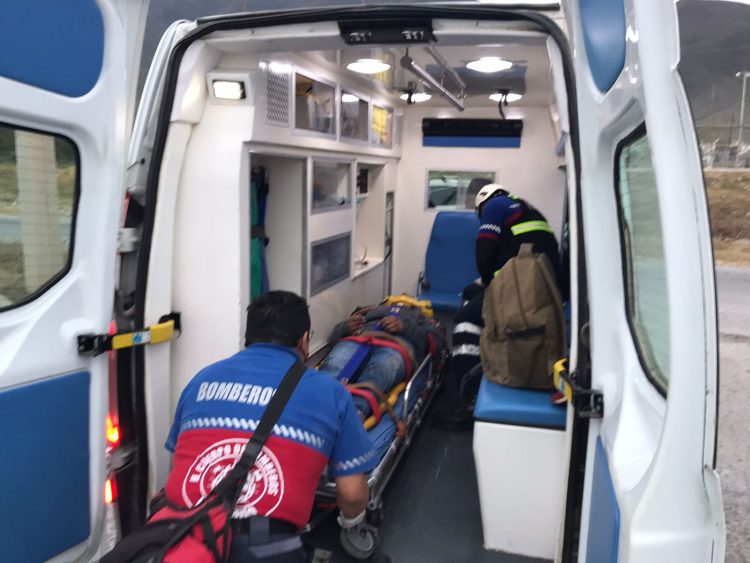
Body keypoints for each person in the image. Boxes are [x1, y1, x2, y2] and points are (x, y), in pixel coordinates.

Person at [163, 291, 378, 562]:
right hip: (262, 544)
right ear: (304, 340)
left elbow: (180, 461)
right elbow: (352, 494)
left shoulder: (200, 381)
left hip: (177, 536)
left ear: (248, 337)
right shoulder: (330, 392)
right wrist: (352, 523)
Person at [432, 184, 560, 431]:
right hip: (541, 286)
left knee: (465, 321)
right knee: (471, 292)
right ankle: (476, 361)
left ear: (483, 203)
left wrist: (489, 282)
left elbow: (484, 253)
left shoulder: (494, 206)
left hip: (521, 286)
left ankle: (466, 399)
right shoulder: (524, 207)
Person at [319, 298, 445, 420]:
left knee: (379, 370)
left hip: (397, 346)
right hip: (360, 337)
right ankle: (318, 402)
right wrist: (345, 327)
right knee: (333, 364)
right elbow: (334, 337)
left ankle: (354, 412)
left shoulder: (422, 318)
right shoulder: (368, 311)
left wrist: (404, 327)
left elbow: (435, 344)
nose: (402, 300)